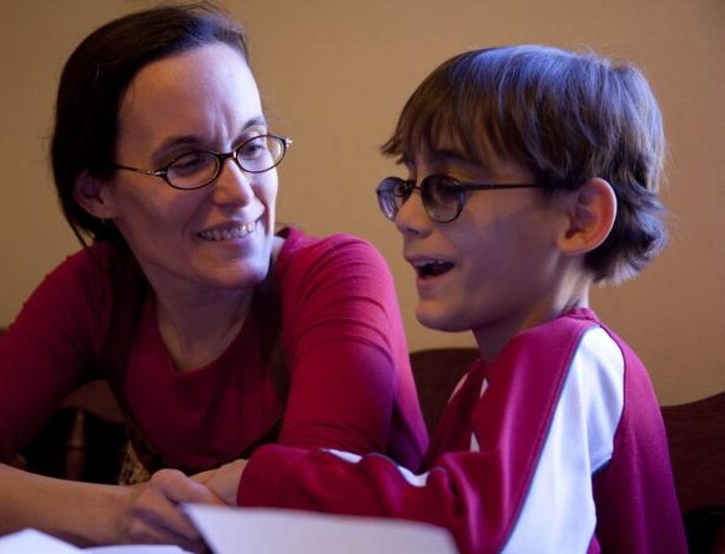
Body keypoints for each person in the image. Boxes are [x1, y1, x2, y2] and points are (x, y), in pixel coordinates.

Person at [0, 3, 428, 548]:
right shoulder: (99, 288)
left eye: (251, 147)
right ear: (96, 192)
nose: (240, 192)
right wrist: (119, 512)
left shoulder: (338, 276)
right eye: (187, 162)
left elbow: (304, 516)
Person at [190, 45, 687, 552]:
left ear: (580, 220)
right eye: (408, 184)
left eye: (447, 187)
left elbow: (489, 535)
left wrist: (270, 480)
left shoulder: (572, 358)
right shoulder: (479, 384)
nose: (407, 216)